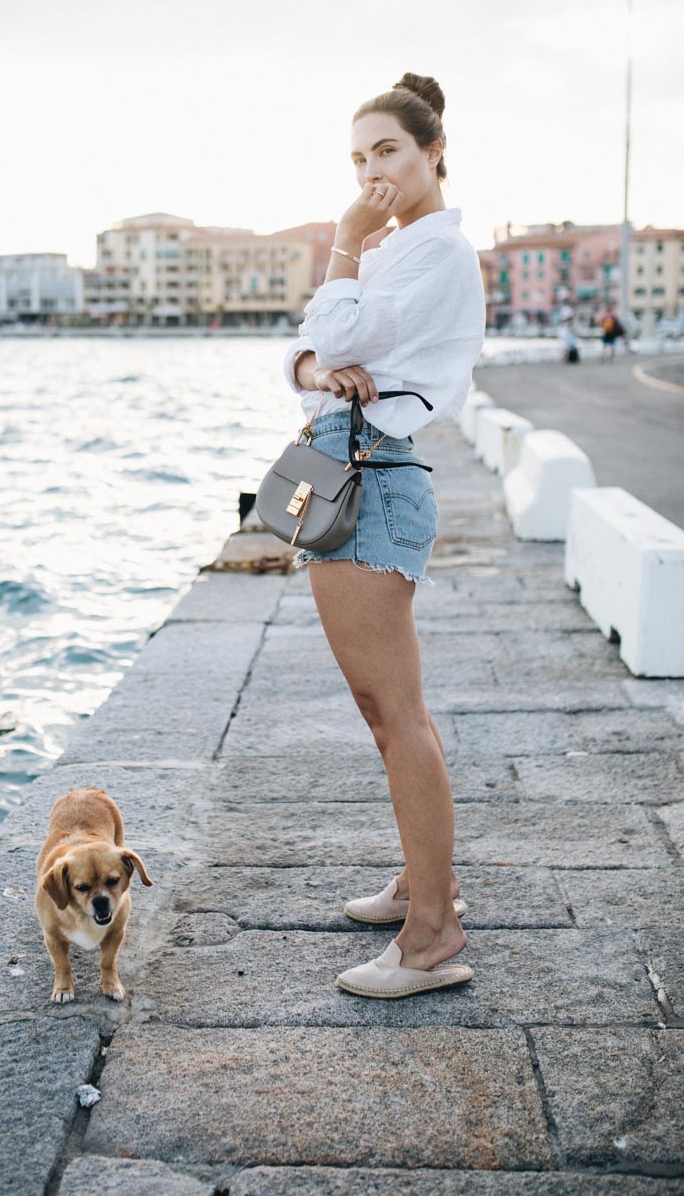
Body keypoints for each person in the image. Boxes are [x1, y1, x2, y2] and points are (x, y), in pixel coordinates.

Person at [282, 72, 485, 999]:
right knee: (383, 711)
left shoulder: (429, 254)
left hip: (371, 476)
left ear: (432, 152)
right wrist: (317, 360)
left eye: (387, 152)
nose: (371, 172)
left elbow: (346, 325)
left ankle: (431, 932)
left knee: (394, 714)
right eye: (358, 158)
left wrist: (343, 246)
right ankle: (419, 882)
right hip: (350, 464)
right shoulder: (401, 251)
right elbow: (315, 352)